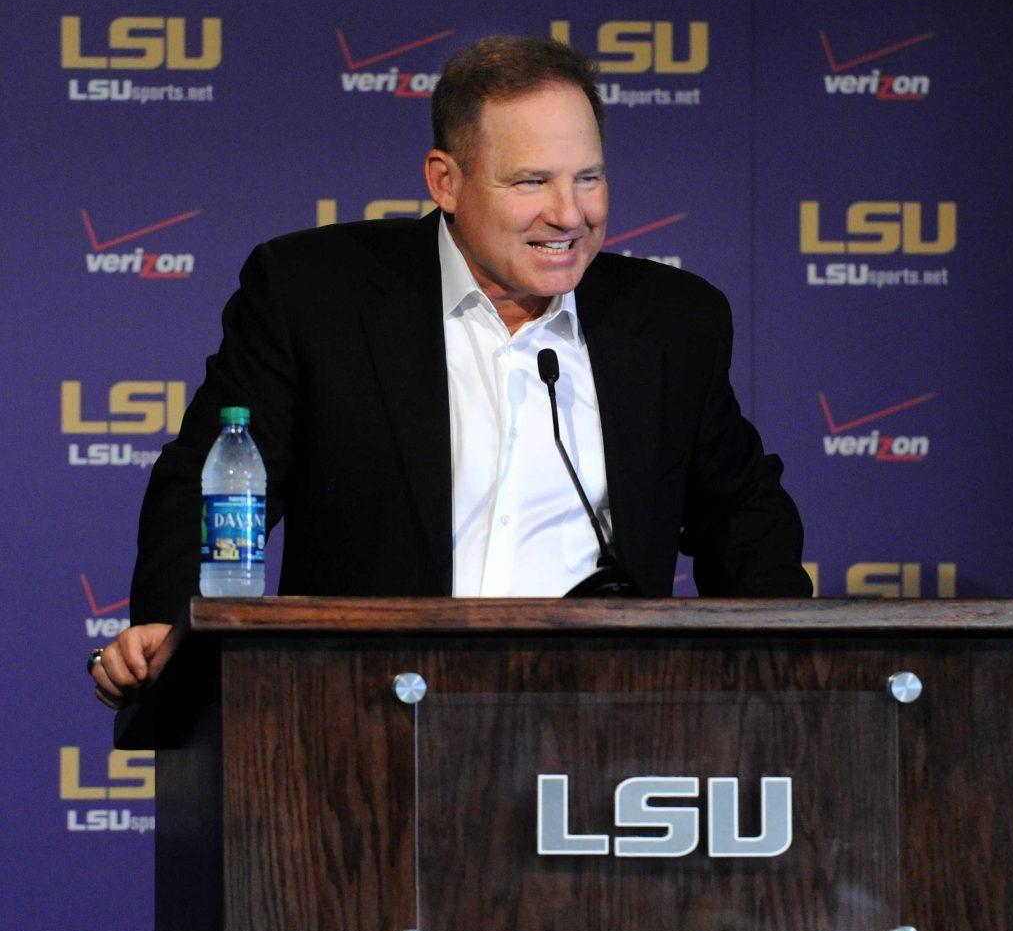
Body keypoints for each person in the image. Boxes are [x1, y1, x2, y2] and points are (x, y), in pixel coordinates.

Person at [89, 36, 811, 709]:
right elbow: (214, 474)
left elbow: (743, 516)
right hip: (362, 717)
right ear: (446, 181)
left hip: (599, 719)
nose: (570, 214)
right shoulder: (316, 296)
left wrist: (798, 678)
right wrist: (167, 624)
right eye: (532, 181)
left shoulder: (671, 321)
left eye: (588, 178)